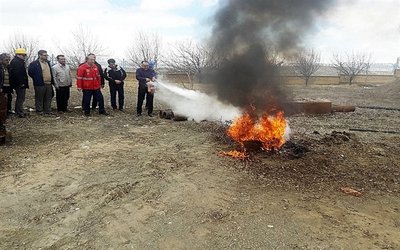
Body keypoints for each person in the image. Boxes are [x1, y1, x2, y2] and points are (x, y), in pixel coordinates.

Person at [28, 50, 55, 115]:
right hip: (40, 84)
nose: (46, 56)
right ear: (40, 55)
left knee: (48, 97)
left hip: (48, 83)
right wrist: (37, 79)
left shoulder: (48, 63)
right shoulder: (34, 64)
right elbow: (30, 73)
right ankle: (39, 110)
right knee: (39, 97)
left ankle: (47, 110)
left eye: (46, 55)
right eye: (44, 55)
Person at [9, 48, 29, 118]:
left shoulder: (18, 61)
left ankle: (20, 110)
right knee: (20, 98)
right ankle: (19, 112)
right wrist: (21, 83)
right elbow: (17, 74)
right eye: (23, 55)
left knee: (21, 98)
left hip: (20, 83)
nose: (24, 56)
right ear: (18, 55)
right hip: (19, 84)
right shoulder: (16, 62)